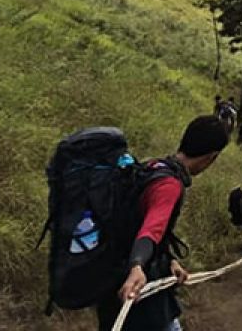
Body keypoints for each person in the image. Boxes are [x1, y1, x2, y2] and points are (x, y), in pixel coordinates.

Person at [96, 115, 229, 331]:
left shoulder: (151, 167)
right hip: (139, 288)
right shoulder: (169, 185)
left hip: (112, 279)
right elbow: (151, 228)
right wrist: (137, 265)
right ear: (211, 157)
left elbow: (136, 222)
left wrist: (170, 261)